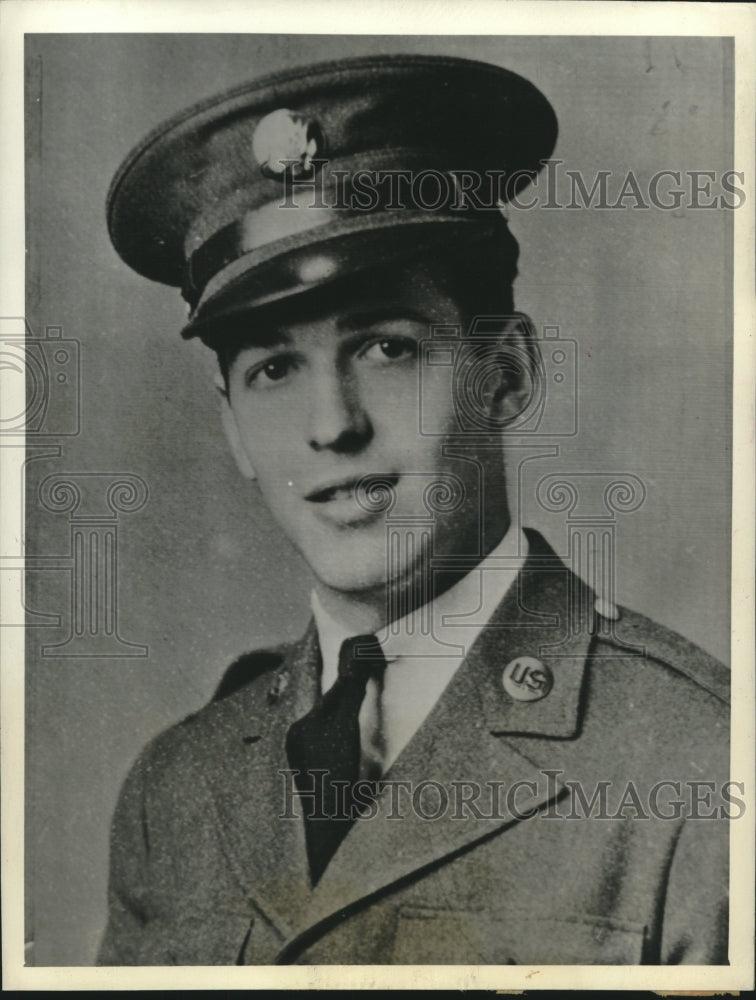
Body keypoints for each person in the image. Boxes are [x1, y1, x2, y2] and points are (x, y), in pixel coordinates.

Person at [97, 53, 729, 966]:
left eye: (387, 349)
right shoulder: (174, 791)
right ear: (232, 427)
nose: (332, 426)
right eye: (274, 369)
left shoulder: (697, 763)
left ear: (504, 375)